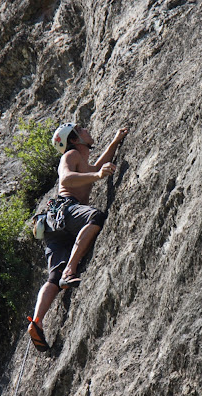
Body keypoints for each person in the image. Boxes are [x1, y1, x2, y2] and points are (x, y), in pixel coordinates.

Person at [27, 122, 129, 352]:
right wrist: (97, 175)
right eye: (81, 129)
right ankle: (70, 270)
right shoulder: (71, 155)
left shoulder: (80, 159)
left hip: (56, 224)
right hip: (66, 210)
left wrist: (115, 141)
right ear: (73, 139)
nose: (86, 130)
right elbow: (66, 180)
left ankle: (37, 321)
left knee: (53, 277)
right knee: (95, 218)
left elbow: (98, 165)